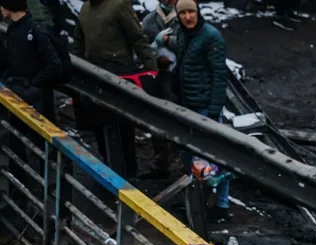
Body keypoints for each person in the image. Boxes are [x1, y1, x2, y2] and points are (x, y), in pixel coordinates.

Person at [159, 0, 232, 222]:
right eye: (183, 13)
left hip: (204, 106)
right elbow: (181, 51)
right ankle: (196, 202)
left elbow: (220, 75)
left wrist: (213, 110)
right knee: (190, 156)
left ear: (198, 13)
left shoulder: (211, 37)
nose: (188, 17)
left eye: (191, 12)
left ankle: (221, 205)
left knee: (214, 158)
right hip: (187, 103)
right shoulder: (182, 34)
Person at [73, 0, 157, 176]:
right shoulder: (85, 9)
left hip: (119, 74)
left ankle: (130, 173)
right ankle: (109, 169)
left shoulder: (119, 5)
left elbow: (137, 37)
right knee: (98, 126)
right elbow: (79, 43)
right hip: (93, 75)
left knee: (123, 126)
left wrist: (151, 69)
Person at [0, 0, 62, 118]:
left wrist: (33, 85)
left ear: (10, 7)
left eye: (3, 5)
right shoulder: (12, 29)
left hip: (33, 97)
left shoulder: (36, 30)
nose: (1, 8)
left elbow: (54, 64)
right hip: (15, 92)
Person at [141, 0, 178, 177]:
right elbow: (141, 47)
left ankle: (184, 163)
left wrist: (167, 41)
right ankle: (162, 161)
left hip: (182, 78)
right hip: (158, 78)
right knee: (157, 119)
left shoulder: (186, 16)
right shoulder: (149, 21)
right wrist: (156, 58)